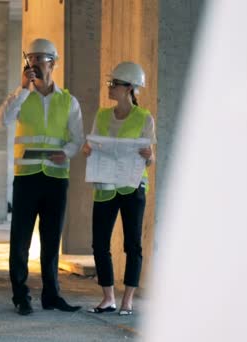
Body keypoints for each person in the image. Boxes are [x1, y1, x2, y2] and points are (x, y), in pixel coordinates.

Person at [0, 38, 85, 316]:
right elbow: (3, 119)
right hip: (27, 177)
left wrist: (67, 153)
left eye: (41, 58)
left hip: (56, 179)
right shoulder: (22, 96)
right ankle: (20, 295)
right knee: (20, 239)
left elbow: (77, 137)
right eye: (31, 58)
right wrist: (22, 88)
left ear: (53, 63)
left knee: (51, 240)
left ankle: (52, 295)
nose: (34, 62)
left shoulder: (68, 101)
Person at [83, 62, 156, 316]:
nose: (110, 88)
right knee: (100, 244)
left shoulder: (144, 117)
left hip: (132, 188)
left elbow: (149, 157)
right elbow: (93, 144)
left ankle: (128, 300)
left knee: (132, 244)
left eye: (114, 84)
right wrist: (88, 150)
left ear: (130, 88)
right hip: (105, 187)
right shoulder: (102, 115)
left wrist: (149, 156)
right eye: (110, 83)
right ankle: (108, 297)